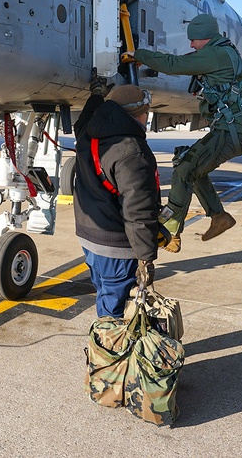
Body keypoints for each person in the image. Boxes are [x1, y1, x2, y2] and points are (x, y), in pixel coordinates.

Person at [124, 13, 242, 251]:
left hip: (234, 132)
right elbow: (184, 59)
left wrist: (140, 55)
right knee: (192, 168)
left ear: (204, 38)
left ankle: (169, 230)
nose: (191, 45)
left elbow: (175, 65)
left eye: (194, 40)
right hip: (233, 129)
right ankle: (219, 217)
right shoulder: (220, 51)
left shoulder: (216, 55)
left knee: (185, 167)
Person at [73, 81, 165, 319]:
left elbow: (83, 119)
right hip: (116, 246)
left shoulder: (88, 134)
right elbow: (138, 210)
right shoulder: (132, 151)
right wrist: (146, 257)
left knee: (104, 293)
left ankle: (106, 347)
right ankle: (107, 353)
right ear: (141, 114)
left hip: (89, 237)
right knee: (114, 309)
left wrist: (96, 95)